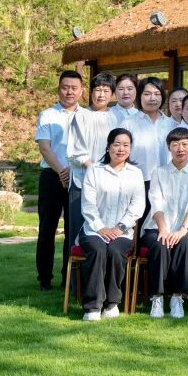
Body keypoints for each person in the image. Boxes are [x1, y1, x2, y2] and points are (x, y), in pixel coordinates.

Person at [140, 127, 188, 319]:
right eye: (175, 144)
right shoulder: (158, 173)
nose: (180, 148)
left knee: (186, 243)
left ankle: (178, 296)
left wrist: (183, 229)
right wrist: (163, 229)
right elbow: (156, 202)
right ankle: (157, 297)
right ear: (169, 147)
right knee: (160, 243)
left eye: (185, 144)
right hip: (157, 226)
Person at [78, 128, 145, 321]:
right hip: (93, 230)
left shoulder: (135, 173)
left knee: (115, 251)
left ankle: (111, 303)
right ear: (108, 147)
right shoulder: (94, 170)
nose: (121, 149)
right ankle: (92, 307)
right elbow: (88, 204)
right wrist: (101, 228)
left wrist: (119, 228)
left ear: (130, 149)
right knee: (98, 250)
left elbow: (137, 205)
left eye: (126, 145)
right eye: (116, 144)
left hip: (122, 232)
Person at [64, 72, 118, 289]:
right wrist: (94, 168)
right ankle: (78, 286)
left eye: (106, 91)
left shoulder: (117, 118)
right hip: (82, 182)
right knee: (80, 233)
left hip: (110, 186)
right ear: (91, 92)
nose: (101, 95)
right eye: (98, 90)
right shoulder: (81, 116)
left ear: (112, 94)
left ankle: (103, 284)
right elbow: (75, 151)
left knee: (106, 233)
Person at [35, 71, 82, 291]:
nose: (69, 91)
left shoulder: (87, 116)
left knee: (73, 230)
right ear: (58, 89)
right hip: (52, 177)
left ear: (81, 91)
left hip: (78, 177)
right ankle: (44, 277)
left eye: (74, 87)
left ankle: (68, 277)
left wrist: (72, 171)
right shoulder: (47, 115)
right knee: (47, 228)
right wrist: (62, 171)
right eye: (65, 87)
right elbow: (45, 148)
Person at [122, 77, 174, 231]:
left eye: (157, 94)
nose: (153, 98)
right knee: (138, 229)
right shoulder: (128, 124)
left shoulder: (171, 124)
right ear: (139, 96)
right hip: (139, 183)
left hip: (167, 184)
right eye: (147, 94)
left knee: (164, 228)